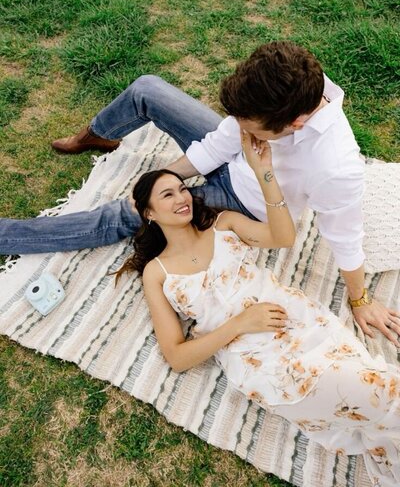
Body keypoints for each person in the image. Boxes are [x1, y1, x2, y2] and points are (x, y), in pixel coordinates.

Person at [0, 42, 398, 346]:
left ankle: (7, 236)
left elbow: (345, 236)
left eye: (250, 125)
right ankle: (99, 135)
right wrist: (166, 177)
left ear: (294, 124)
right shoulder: (289, 84)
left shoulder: (335, 167)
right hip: (232, 163)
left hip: (247, 203)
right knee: (147, 90)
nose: (239, 126)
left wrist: (360, 299)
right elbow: (220, 142)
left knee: (129, 212)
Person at [114, 135, 400, 487]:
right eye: (167, 194)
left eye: (182, 188)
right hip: (260, 361)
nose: (181, 197)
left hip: (303, 326)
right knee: (381, 393)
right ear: (149, 213)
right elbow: (176, 356)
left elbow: (283, 238)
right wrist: (239, 323)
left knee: (376, 394)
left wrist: (264, 172)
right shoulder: (157, 273)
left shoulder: (224, 224)